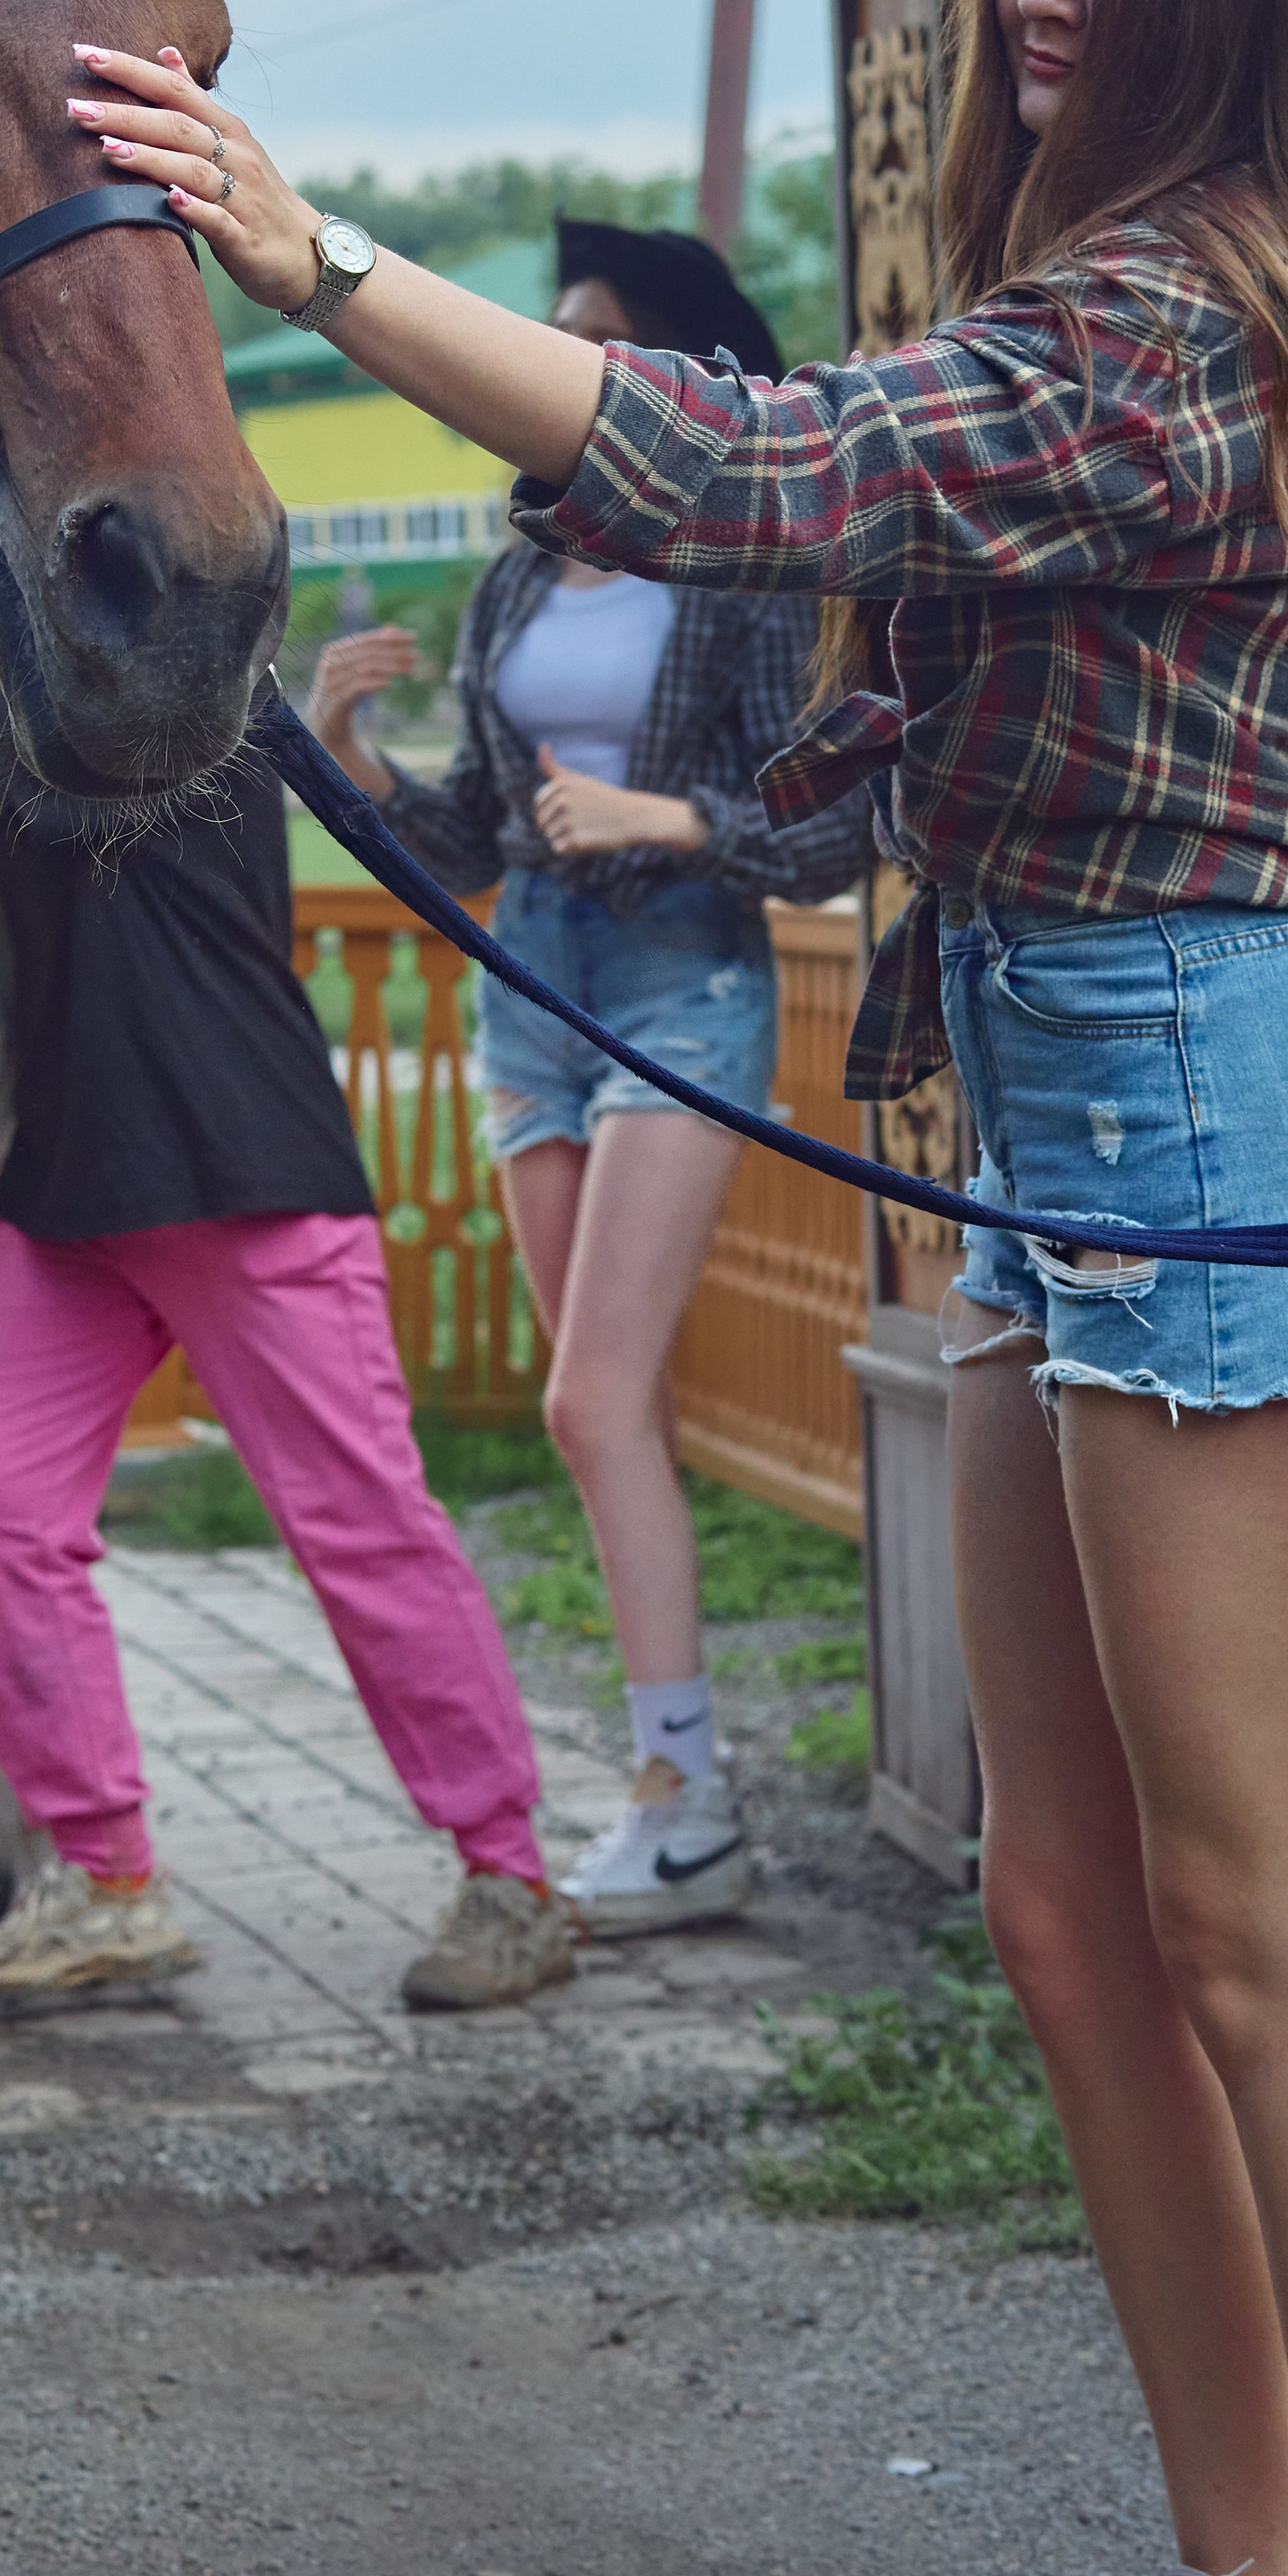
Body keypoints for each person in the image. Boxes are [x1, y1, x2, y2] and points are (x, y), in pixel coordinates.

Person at [62, 0, 1288, 2576]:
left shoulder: (1198, 314)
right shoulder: (1124, 299)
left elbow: (746, 474)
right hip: (1059, 1130)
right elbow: (853, 758)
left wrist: (305, 248)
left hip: (1205, 1126)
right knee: (1062, 1909)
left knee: (1276, 1943)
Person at [302, 221, 869, 1942]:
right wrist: (347, 757)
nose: (548, 367)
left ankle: (686, 1800)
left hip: (683, 980)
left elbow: (839, 818)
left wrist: (671, 817)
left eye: (590, 341)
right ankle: (669, 1782)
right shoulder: (521, 578)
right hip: (528, 987)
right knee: (607, 1406)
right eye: (549, 338)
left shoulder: (738, 570)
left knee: (583, 1400)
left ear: (672, 378)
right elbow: (471, 830)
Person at [0, 716, 575, 2017]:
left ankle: (511, 1881)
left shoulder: (189, 688)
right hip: (81, 1199)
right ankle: (108, 1883)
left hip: (246, 1180)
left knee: (363, 1528)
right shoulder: (62, 669)